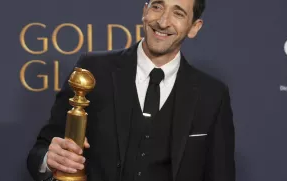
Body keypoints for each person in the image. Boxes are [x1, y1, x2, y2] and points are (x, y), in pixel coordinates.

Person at [27, 0, 235, 180]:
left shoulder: (212, 95)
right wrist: (49, 159)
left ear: (194, 27)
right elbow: (40, 150)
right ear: (145, 11)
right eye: (157, 6)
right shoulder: (93, 70)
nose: (163, 21)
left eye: (178, 13)